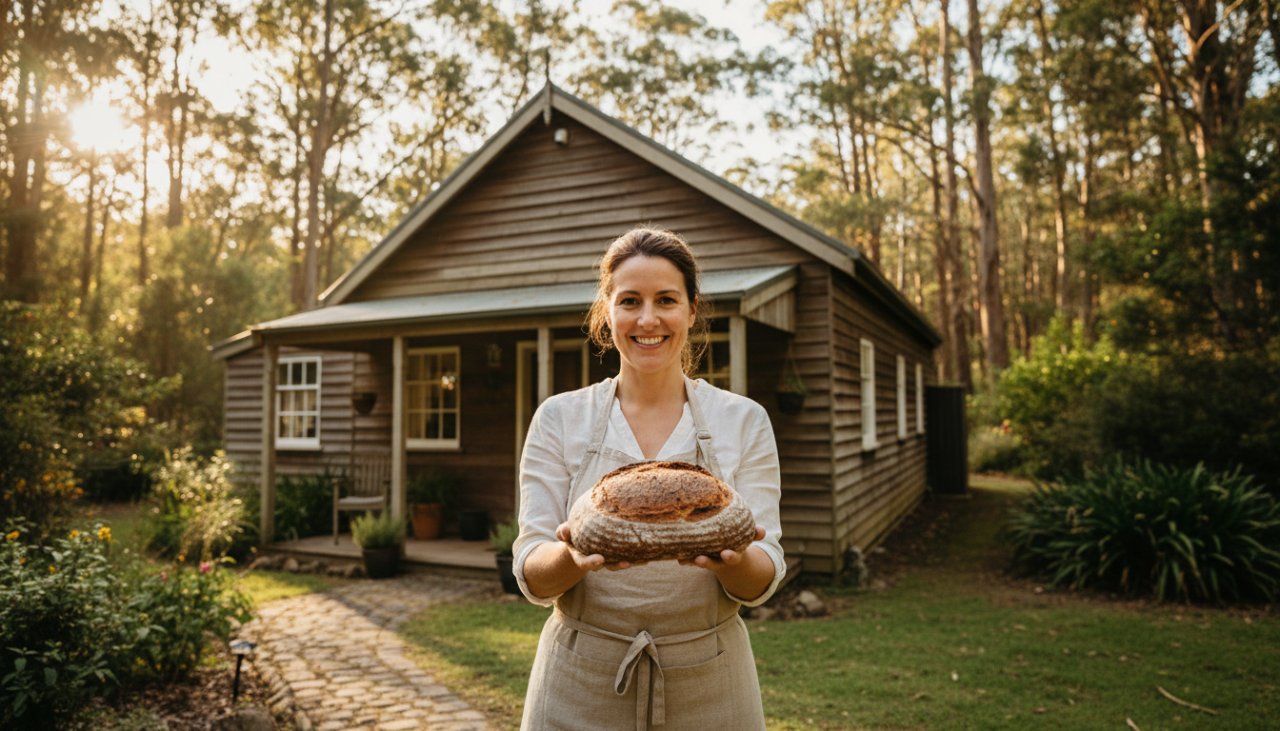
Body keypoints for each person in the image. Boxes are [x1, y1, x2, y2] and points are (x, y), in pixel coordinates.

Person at [513, 227, 786, 730]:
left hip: (711, 681)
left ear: (692, 309)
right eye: (630, 301)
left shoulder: (743, 420)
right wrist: (573, 557)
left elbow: (764, 574)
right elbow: (531, 569)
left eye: (666, 300)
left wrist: (733, 560)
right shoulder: (559, 418)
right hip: (579, 681)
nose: (647, 319)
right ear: (607, 312)